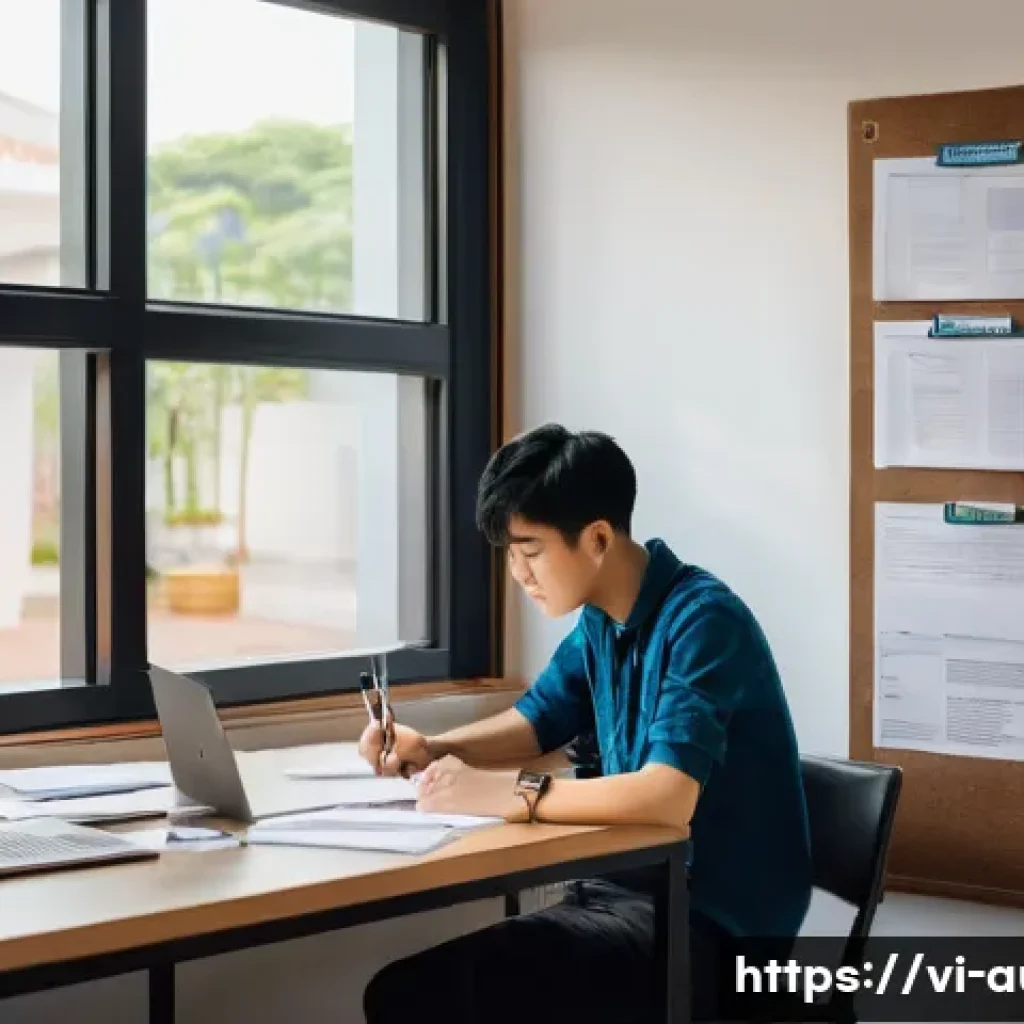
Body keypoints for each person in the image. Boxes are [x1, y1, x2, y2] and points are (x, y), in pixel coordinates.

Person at [360, 424, 812, 1024]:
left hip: (713, 933)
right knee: (412, 991)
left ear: (597, 538)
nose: (519, 576)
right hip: (618, 894)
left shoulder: (704, 622)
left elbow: (667, 796)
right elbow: (537, 719)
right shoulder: (602, 621)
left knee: (427, 996)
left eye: (530, 553)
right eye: (511, 557)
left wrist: (511, 794)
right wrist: (434, 746)